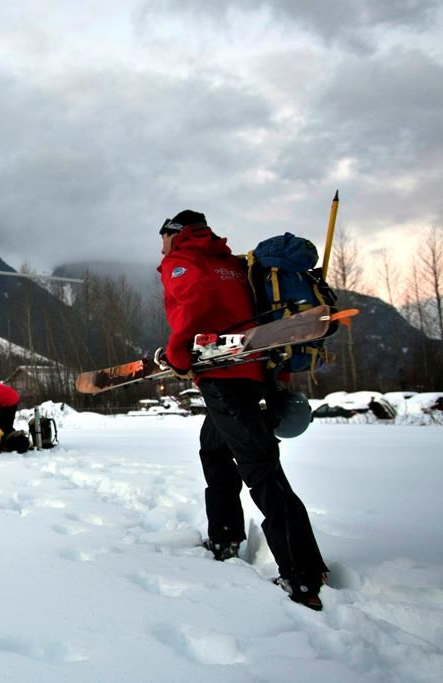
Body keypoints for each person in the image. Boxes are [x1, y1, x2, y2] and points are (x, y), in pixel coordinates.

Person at [155, 209, 328, 611]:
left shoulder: (182, 261)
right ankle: (225, 535)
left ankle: (303, 575)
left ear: (174, 234)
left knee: (261, 466)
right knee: (213, 448)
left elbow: (190, 306)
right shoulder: (231, 263)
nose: (160, 246)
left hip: (223, 375)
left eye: (162, 237)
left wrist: (179, 356)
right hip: (253, 372)